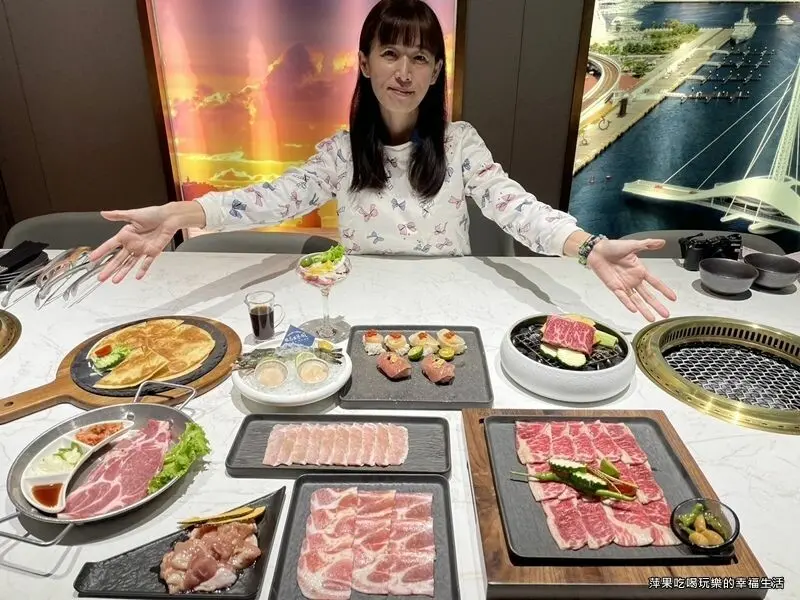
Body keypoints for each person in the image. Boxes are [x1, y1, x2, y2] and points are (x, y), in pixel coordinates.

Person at [89, 0, 676, 321]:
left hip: (450, 298)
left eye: (419, 58)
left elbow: (515, 207)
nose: (404, 71)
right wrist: (181, 214)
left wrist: (588, 247)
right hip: (360, 301)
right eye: (390, 53)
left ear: (436, 72)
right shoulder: (341, 153)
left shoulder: (460, 143)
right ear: (365, 63)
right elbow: (270, 198)